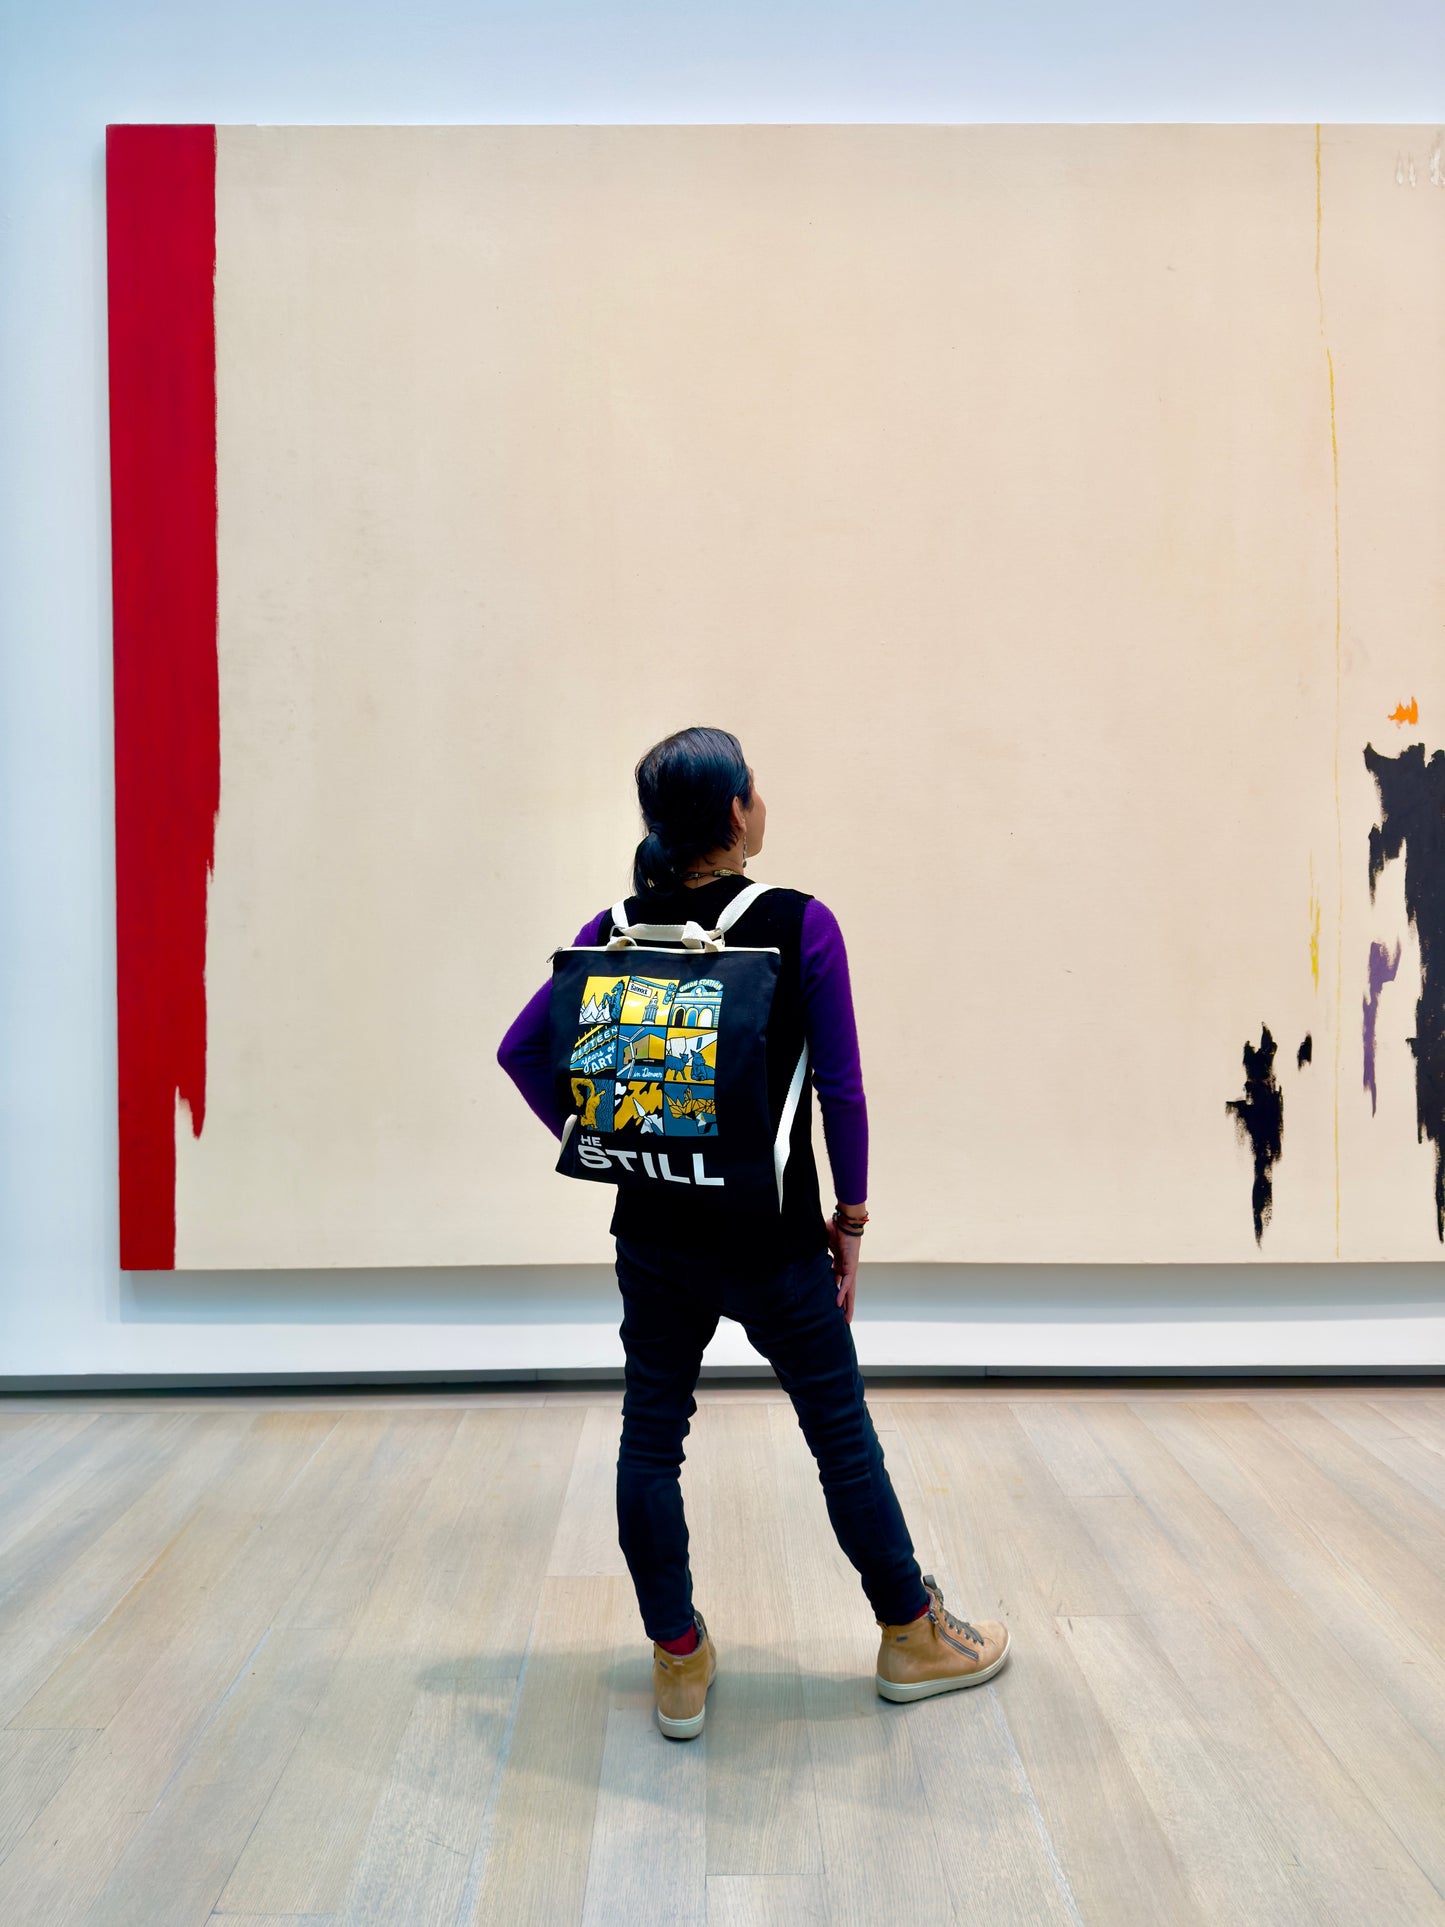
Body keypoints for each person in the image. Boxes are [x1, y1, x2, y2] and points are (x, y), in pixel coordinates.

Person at [498, 725, 1009, 1738]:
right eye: (754, 788)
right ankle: (910, 1634)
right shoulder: (798, 922)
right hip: (773, 1242)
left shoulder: (612, 927)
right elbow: (840, 1090)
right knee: (838, 1436)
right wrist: (849, 1219)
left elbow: (522, 1051)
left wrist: (605, 1134)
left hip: (652, 1232)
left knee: (650, 1440)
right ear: (735, 811)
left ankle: (677, 1655)